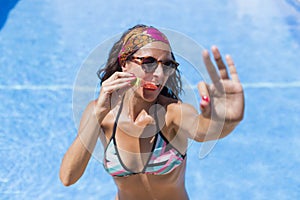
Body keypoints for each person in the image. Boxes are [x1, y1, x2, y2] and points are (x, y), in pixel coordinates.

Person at [59, 24, 244, 200]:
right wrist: (98, 114)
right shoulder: (100, 113)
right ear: (124, 63)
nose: (159, 74)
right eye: (148, 62)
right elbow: (68, 177)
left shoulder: (172, 114)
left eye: (167, 65)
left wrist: (226, 120)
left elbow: (204, 130)